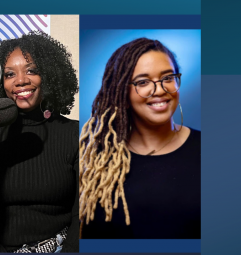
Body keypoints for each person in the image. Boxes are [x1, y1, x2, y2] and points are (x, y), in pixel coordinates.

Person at [0, 31, 79, 252]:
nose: (21, 80)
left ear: (49, 74)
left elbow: (85, 214)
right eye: (9, 74)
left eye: (31, 71)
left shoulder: (74, 134)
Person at [79, 38, 200, 239]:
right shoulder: (96, 164)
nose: (160, 90)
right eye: (143, 82)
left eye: (168, 77)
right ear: (121, 91)